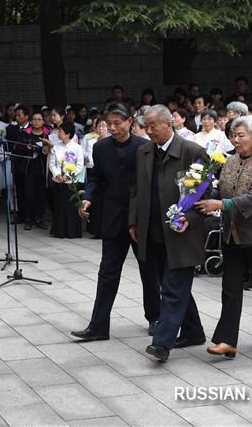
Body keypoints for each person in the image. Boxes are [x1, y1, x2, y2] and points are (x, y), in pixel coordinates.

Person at [71, 103, 160, 342]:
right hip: (112, 218)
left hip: (140, 220)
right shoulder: (100, 148)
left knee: (148, 270)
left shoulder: (144, 147)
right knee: (107, 273)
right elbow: (96, 178)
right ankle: (98, 326)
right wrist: (87, 198)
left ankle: (155, 317)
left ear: (130, 122)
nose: (112, 128)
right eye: (108, 124)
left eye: (117, 123)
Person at [196, 116, 252, 357]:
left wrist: (221, 204)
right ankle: (226, 340)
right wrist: (199, 190)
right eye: (233, 134)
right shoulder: (230, 161)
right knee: (230, 288)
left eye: (241, 135)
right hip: (232, 235)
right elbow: (220, 188)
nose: (236, 139)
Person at [130, 105, 207, 362]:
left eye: (153, 126)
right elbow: (136, 191)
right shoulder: (143, 151)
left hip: (181, 233)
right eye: (146, 126)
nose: (148, 130)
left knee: (172, 288)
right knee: (171, 284)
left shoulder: (192, 151)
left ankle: (162, 343)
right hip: (152, 230)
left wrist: (190, 218)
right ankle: (194, 332)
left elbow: (205, 196)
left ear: (169, 124)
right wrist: (134, 222)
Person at [48, 120, 84, 238]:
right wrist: (58, 175)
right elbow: (52, 164)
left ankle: (72, 231)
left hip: (71, 182)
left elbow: (79, 165)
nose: (58, 134)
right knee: (59, 207)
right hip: (58, 181)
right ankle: (59, 231)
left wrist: (68, 175)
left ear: (68, 134)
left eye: (61, 132)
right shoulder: (56, 147)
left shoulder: (77, 148)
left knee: (71, 208)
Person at [21, 111, 50, 230]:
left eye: (39, 119)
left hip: (43, 168)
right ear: (31, 121)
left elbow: (50, 149)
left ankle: (40, 218)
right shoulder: (25, 133)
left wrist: (41, 147)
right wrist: (26, 148)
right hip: (29, 168)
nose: (36, 121)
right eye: (34, 119)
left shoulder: (48, 134)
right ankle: (29, 219)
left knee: (41, 194)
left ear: (43, 121)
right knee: (29, 194)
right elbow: (17, 149)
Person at [8, 106, 31, 225]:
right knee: (20, 191)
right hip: (17, 163)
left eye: (19, 115)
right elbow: (10, 145)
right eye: (15, 115)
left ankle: (30, 217)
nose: (16, 117)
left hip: (29, 164)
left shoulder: (32, 128)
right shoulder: (12, 129)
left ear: (26, 117)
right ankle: (21, 215)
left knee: (29, 191)